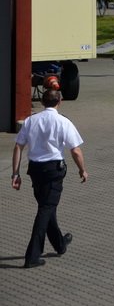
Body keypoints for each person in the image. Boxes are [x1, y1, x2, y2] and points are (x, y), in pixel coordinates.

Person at [11, 90, 88, 268]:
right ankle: (32, 256)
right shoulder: (63, 121)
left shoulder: (31, 120)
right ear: (59, 101)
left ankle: (60, 244)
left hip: (36, 171)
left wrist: (15, 173)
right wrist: (82, 170)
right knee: (45, 209)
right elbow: (75, 150)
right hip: (53, 171)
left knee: (47, 207)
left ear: (43, 102)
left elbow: (18, 146)